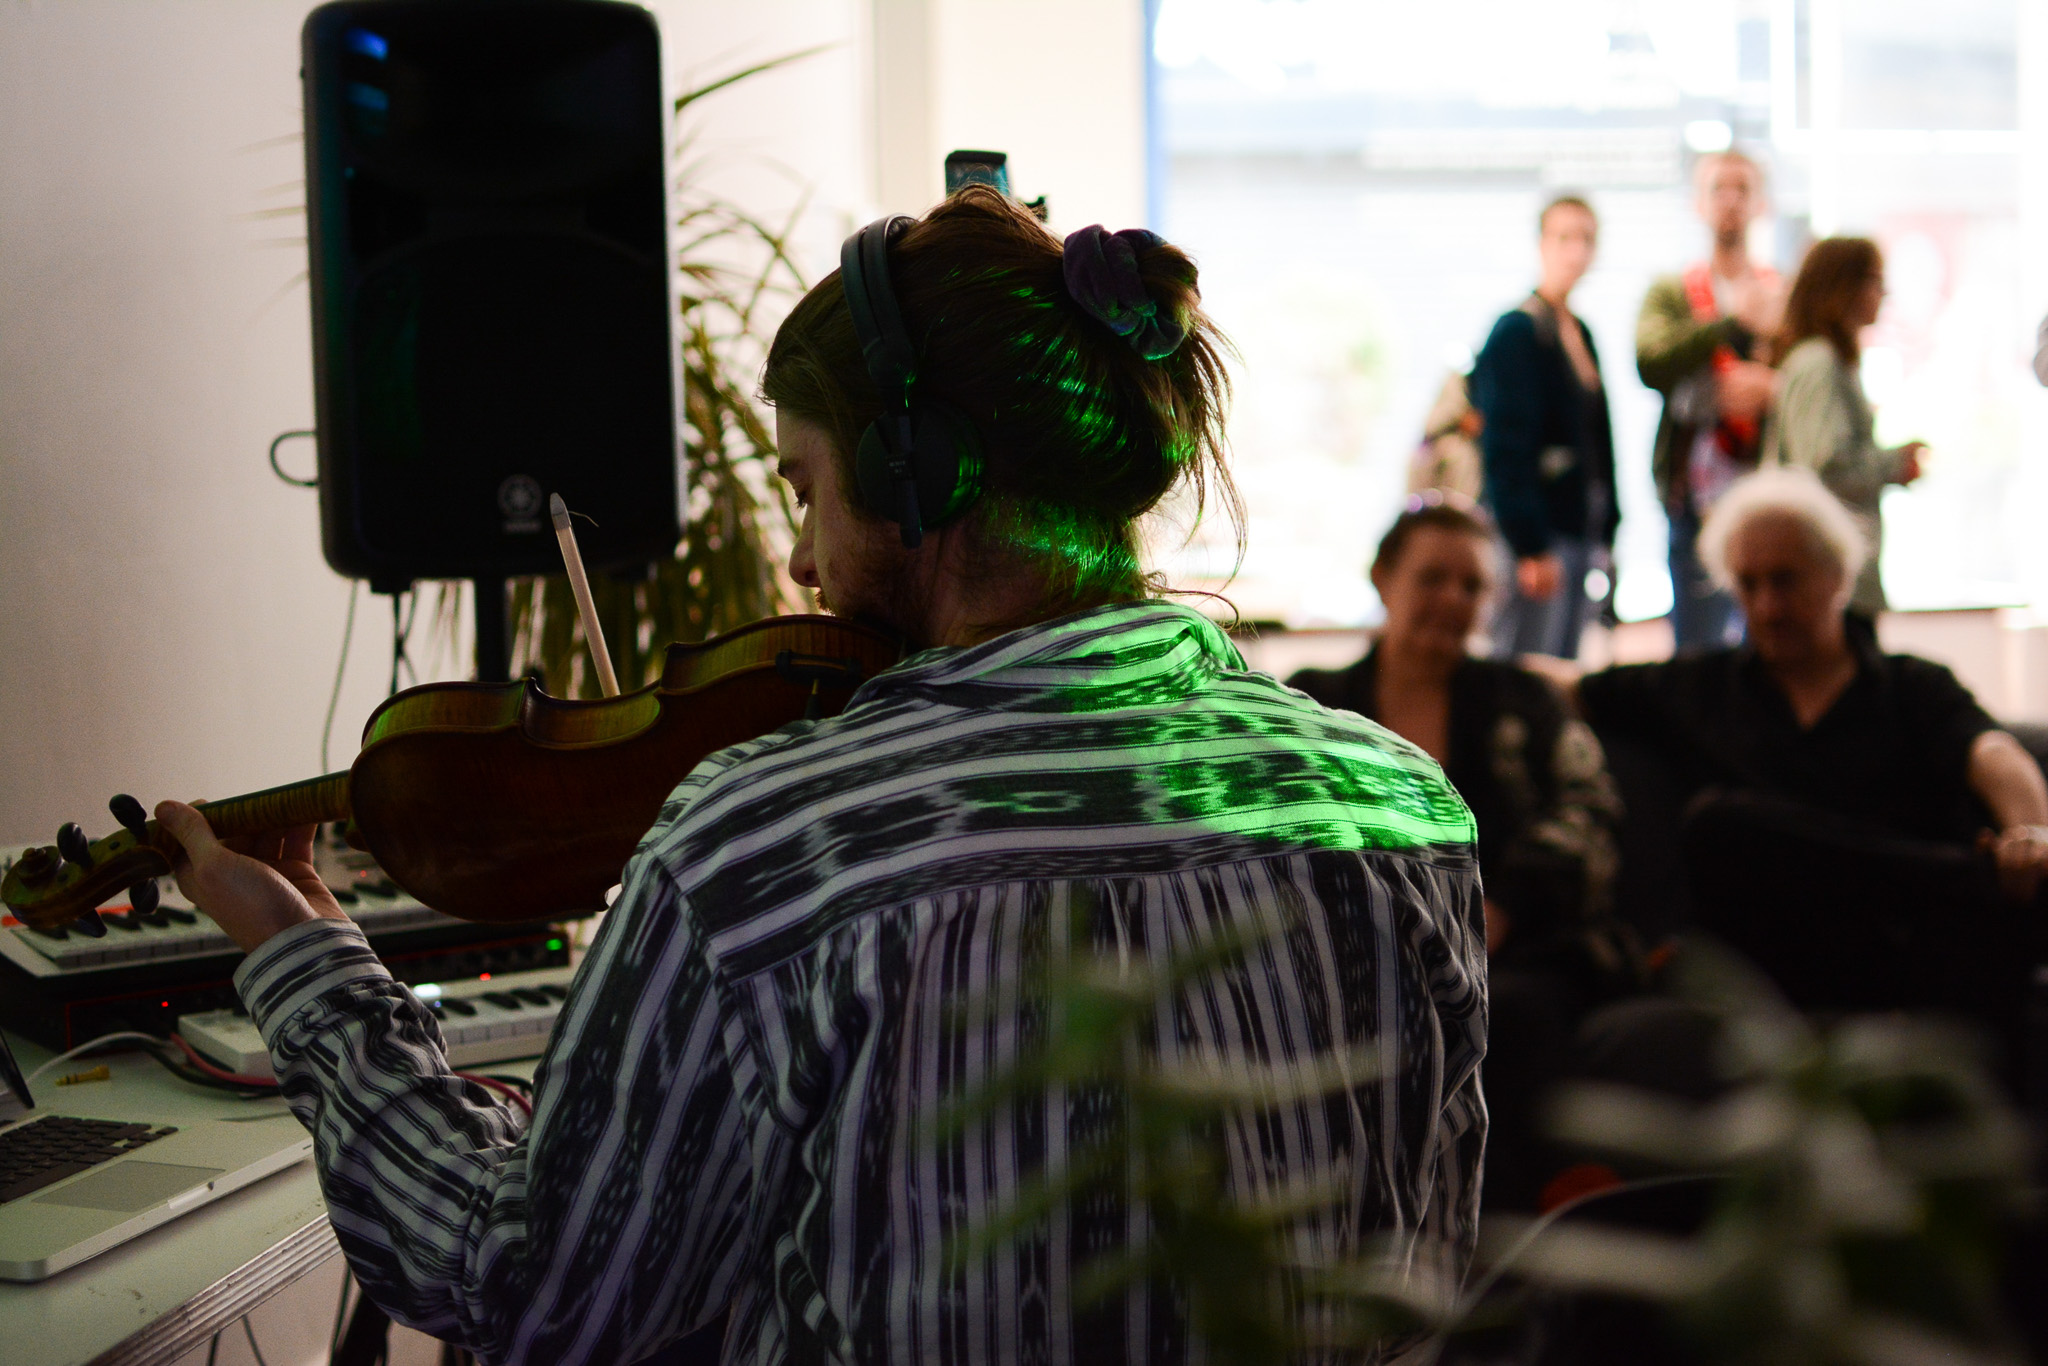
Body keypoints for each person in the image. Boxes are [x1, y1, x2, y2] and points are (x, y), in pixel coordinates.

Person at [145, 188, 1487, 1365]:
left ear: (919, 473)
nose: (798, 561)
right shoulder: (1406, 804)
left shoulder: (766, 842)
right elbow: (1429, 1254)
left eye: (808, 486)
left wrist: (313, 969)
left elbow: (531, 1287)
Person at [1576, 469, 2048, 1035]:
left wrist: (2030, 832)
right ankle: (1955, 878)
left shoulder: (1912, 686)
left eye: (1785, 581)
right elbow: (1564, 686)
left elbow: (1996, 753)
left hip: (1905, 951)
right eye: (1749, 586)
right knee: (1720, 826)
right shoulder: (1699, 686)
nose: (1768, 607)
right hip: (1779, 966)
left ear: (1838, 577)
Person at [1289, 499, 1634, 1209]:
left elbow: (1589, 811)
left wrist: (1500, 907)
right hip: (1354, 955)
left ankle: (1522, 1229)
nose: (1451, 599)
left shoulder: (1524, 700)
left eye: (1471, 585)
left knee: (1505, 1012)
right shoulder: (1313, 706)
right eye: (1432, 578)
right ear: (1384, 579)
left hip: (1513, 953)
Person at [1637, 150, 1784, 652]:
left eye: (1742, 189)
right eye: (1719, 188)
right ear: (1697, 204)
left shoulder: (1780, 293)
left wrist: (1772, 391)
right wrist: (1731, 324)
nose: (1730, 201)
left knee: (1767, 646)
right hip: (1693, 499)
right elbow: (1650, 363)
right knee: (1697, 651)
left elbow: (1806, 381)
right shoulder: (1673, 292)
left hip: (1763, 492)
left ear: (1760, 203)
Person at [1469, 194, 1617, 659]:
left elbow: (1597, 443)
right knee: (1525, 669)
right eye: (1564, 237)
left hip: (1576, 532)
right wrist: (1529, 544)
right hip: (1539, 538)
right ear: (1541, 244)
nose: (1575, 250)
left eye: (1586, 239)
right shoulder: (1518, 330)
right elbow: (1505, 446)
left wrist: (1610, 529)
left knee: (1560, 671)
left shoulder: (1578, 331)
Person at [1763, 236, 1924, 619]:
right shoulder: (1819, 364)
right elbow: (1825, 467)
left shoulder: (1828, 362)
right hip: (1830, 580)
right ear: (1841, 285)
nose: (1883, 292)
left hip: (1837, 576)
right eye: (1873, 279)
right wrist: (1894, 464)